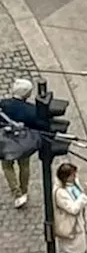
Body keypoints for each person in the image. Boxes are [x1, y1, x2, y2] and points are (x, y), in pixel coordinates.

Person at [0, 76, 40, 207]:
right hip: (23, 143)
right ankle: (24, 191)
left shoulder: (3, 104)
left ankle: (16, 193)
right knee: (24, 166)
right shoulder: (31, 109)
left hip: (6, 141)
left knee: (7, 166)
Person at [52, 159, 87, 253]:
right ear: (65, 178)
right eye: (72, 175)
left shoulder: (73, 184)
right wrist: (85, 195)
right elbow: (73, 209)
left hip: (78, 225)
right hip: (71, 228)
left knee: (78, 252)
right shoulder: (60, 193)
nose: (75, 177)